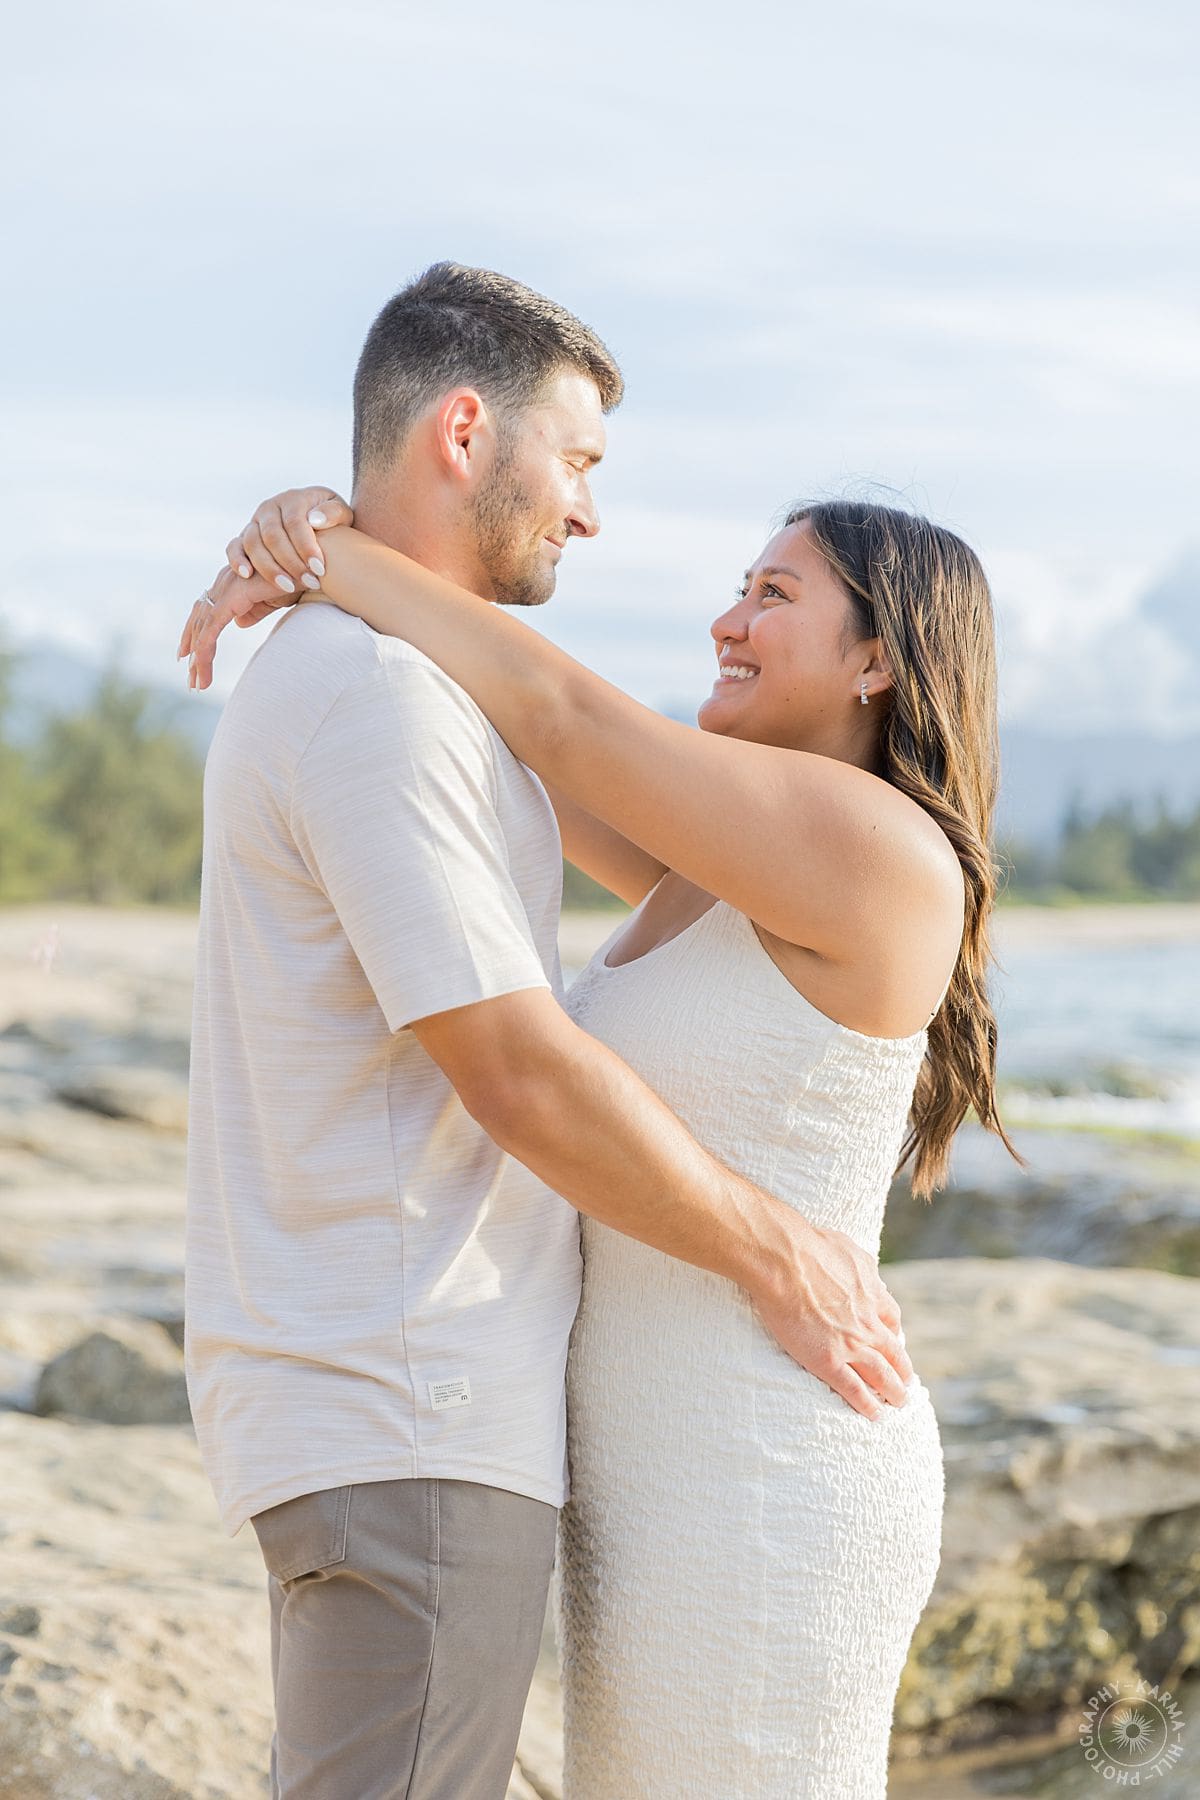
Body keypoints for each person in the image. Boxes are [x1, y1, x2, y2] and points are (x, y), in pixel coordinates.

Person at [178, 263, 921, 1800]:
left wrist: (332, 541)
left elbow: (560, 723)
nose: (596, 519)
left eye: (771, 596)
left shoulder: (866, 853)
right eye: (579, 464)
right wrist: (334, 532)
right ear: (467, 431)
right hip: (485, 1422)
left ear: (881, 662)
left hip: (744, 1457)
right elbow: (520, 1017)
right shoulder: (412, 714)